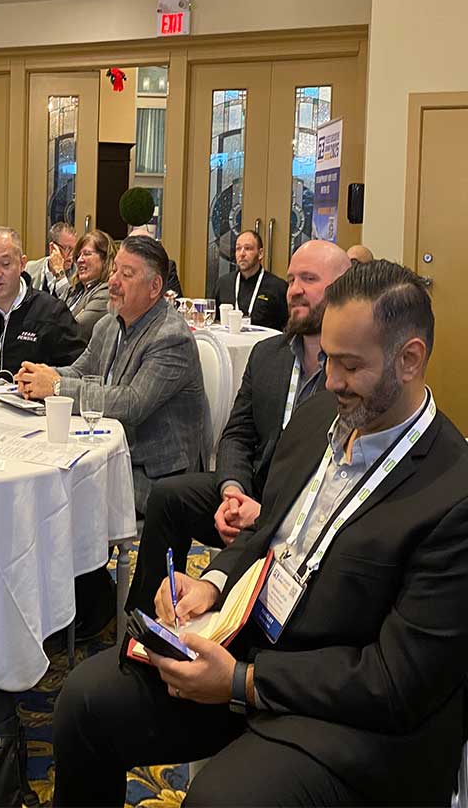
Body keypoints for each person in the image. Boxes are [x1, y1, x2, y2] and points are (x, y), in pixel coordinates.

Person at [52, 260, 468, 808]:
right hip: (250, 641)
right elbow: (270, 529)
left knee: (220, 800)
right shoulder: (323, 416)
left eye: (350, 365)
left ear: (410, 359)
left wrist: (243, 681)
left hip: (347, 712)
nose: (332, 380)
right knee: (84, 702)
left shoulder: (452, 495)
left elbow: (395, 682)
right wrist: (214, 584)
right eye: (328, 357)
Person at [124, 239, 352, 613]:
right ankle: (148, 624)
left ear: (344, 288)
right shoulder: (269, 354)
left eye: (309, 279)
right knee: (168, 497)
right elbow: (237, 435)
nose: (294, 290)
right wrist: (232, 491)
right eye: (291, 279)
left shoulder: (350, 372)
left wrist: (265, 514)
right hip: (251, 489)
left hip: (305, 510)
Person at [17, 235, 205, 512]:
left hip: (154, 476)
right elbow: (79, 371)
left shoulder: (170, 337)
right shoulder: (109, 324)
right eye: (115, 269)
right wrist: (38, 376)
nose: (113, 281)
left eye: (126, 275)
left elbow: (132, 403)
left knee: (58, 495)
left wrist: (55, 387)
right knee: (38, 472)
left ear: (155, 287)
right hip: (110, 452)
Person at [0, 227, 85, 375]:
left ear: (22, 264)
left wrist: (48, 377)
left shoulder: (51, 312)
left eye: (5, 264)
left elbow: (80, 369)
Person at [214, 230, 287, 330]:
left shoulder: (278, 287)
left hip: (265, 340)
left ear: (260, 253)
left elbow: (287, 327)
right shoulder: (223, 284)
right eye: (238, 249)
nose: (242, 254)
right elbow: (214, 322)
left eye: (248, 248)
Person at [62, 229, 113, 341]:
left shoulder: (106, 293)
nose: (79, 260)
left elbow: (75, 330)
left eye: (87, 254)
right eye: (78, 256)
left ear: (104, 259)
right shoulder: (74, 289)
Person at [25, 221, 77, 298]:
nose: (71, 255)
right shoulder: (30, 269)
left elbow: (69, 302)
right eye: (67, 249)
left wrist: (60, 273)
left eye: (74, 250)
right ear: (52, 248)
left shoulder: (78, 275)